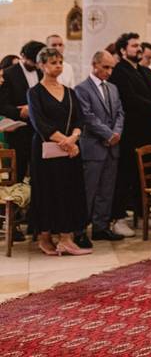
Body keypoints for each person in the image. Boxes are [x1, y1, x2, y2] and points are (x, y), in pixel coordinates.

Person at [27, 47, 90, 256]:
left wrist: (74, 138)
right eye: (54, 63)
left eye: (60, 62)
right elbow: (39, 123)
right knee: (47, 191)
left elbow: (80, 119)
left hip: (67, 151)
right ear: (42, 65)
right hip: (45, 151)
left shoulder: (70, 92)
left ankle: (65, 238)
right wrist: (66, 142)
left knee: (68, 191)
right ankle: (44, 238)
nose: (58, 66)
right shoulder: (35, 92)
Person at [109, 32, 151, 238]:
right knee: (126, 176)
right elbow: (129, 99)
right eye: (134, 46)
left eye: (139, 45)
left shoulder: (147, 72)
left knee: (145, 178)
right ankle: (118, 218)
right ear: (123, 50)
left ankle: (142, 215)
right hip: (132, 133)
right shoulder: (119, 72)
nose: (139, 49)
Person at [74, 51, 125, 242]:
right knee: (89, 190)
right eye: (105, 67)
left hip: (112, 147)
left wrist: (116, 134)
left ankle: (100, 227)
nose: (109, 71)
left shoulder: (113, 88)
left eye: (112, 67)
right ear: (94, 64)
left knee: (106, 190)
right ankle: (80, 230)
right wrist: (108, 134)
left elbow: (120, 112)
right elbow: (87, 116)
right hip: (93, 147)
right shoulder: (82, 89)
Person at [0, 40, 45, 182]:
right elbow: (2, 105)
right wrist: (19, 112)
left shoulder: (41, 71)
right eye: (32, 62)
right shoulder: (8, 74)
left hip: (39, 130)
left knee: (38, 172)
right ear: (23, 56)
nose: (35, 65)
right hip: (18, 131)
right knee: (18, 171)